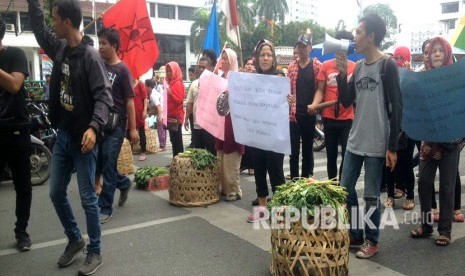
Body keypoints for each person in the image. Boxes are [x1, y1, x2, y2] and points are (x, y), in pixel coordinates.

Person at [27, 0, 113, 274]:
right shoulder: (61, 48)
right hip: (63, 136)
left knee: (88, 198)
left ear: (67, 22)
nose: (53, 23)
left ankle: (95, 250)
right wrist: (33, 3)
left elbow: (104, 97)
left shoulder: (90, 57)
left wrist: (94, 127)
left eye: (55, 19)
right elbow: (40, 30)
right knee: (55, 192)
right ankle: (75, 238)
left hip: (84, 141)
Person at [335, 13, 402, 258]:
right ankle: (356, 233)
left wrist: (392, 146)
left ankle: (371, 240)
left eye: (359, 32)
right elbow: (344, 101)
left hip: (377, 142)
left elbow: (397, 107)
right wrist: (342, 74)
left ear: (371, 36)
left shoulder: (388, 65)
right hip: (355, 139)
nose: (355, 36)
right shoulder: (359, 67)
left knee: (372, 195)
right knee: (345, 189)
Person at [410, 37, 462, 246]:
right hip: (429, 140)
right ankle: (426, 225)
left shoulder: (457, 78)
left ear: (447, 53)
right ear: (428, 54)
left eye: (441, 50)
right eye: (434, 51)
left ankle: (445, 231)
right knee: (423, 182)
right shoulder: (422, 76)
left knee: (447, 185)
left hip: (450, 140)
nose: (437, 54)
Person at [96, 27, 139, 224]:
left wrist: (133, 128)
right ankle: (123, 183)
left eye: (104, 43)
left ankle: (105, 207)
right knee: (105, 162)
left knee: (108, 160)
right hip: (99, 122)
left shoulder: (122, 70)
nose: (100, 46)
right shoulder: (99, 65)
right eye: (99, 43)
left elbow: (130, 101)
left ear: (114, 46)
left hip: (117, 125)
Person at [0, 21, 33, 252]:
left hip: (16, 129)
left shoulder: (16, 54)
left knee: (23, 186)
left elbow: (14, 84)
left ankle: (21, 231)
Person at [308, 30, 356, 181]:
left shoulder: (354, 67)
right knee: (331, 155)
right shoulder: (326, 66)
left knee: (347, 155)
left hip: (347, 119)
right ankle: (332, 184)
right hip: (328, 118)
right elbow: (320, 90)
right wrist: (314, 104)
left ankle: (342, 183)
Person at [247, 40, 286, 222]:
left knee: (276, 171)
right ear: (257, 58)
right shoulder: (251, 79)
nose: (265, 58)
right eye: (262, 54)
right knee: (259, 170)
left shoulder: (280, 77)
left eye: (269, 55)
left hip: (275, 135)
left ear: (273, 58)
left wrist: (289, 98)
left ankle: (280, 209)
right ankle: (262, 209)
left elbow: (285, 101)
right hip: (256, 133)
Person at [383, 46, 416, 210]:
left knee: (406, 163)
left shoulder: (412, 78)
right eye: (397, 57)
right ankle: (390, 196)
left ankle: (410, 196)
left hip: (408, 129)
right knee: (389, 165)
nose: (399, 61)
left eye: (402, 58)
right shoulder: (390, 76)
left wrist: (406, 75)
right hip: (391, 127)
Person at [287, 35, 321, 179]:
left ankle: (306, 179)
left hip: (309, 114)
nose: (301, 50)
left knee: (307, 151)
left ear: (310, 48)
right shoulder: (291, 66)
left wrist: (316, 106)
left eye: (304, 47)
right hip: (294, 115)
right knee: (293, 152)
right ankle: (295, 181)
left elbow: (320, 89)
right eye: (299, 47)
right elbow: (287, 89)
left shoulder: (317, 66)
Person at [216, 48, 243, 202]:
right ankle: (223, 188)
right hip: (221, 123)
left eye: (226, 59)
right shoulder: (219, 78)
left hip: (233, 124)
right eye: (222, 58)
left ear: (232, 61)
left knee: (231, 156)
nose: (223, 61)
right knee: (220, 156)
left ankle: (234, 190)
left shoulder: (238, 79)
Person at [184, 57, 216, 154]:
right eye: (200, 67)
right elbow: (190, 103)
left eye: (204, 67)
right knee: (198, 154)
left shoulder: (216, 82)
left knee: (211, 154)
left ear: (211, 68)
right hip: (197, 125)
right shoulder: (194, 84)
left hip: (211, 126)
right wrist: (186, 119)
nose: (201, 69)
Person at [165, 61, 185, 157]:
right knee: (173, 140)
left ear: (175, 71)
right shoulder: (169, 83)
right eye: (167, 71)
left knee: (177, 140)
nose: (168, 73)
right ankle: (175, 160)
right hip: (170, 116)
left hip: (176, 117)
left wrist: (170, 94)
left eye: (170, 71)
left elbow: (179, 101)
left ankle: (179, 161)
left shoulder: (177, 83)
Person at [240, 57, 255, 177]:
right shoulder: (239, 79)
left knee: (251, 142)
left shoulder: (258, 80)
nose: (250, 66)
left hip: (254, 115)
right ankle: (243, 164)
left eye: (252, 64)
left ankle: (251, 166)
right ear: (244, 67)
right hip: (242, 114)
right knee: (242, 141)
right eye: (248, 64)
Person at [132, 78, 148, 161]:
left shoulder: (140, 83)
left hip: (139, 112)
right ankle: (129, 152)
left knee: (141, 132)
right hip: (130, 113)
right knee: (128, 131)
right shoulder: (128, 83)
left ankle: (143, 151)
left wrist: (145, 110)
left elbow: (145, 98)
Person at [150, 75, 166, 150]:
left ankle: (162, 145)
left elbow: (158, 106)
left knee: (160, 129)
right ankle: (163, 144)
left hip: (161, 111)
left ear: (148, 87)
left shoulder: (153, 94)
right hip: (162, 110)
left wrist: (159, 117)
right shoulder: (153, 92)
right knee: (162, 129)